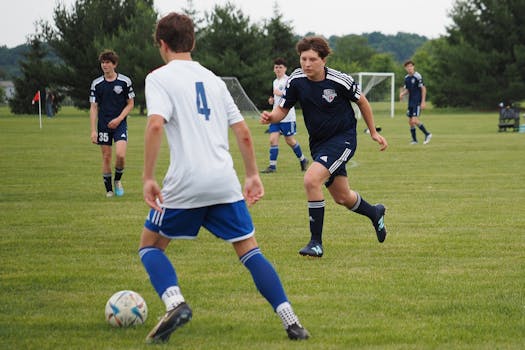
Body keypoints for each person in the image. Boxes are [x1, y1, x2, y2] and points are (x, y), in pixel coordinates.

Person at [139, 12, 309, 344]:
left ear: (161, 44)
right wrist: (252, 175)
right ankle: (292, 322)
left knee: (150, 247)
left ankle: (175, 304)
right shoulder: (215, 80)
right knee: (250, 251)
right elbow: (243, 132)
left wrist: (147, 177)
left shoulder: (158, 78)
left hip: (184, 183)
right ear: (193, 41)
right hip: (224, 181)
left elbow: (156, 124)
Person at [261, 36, 388, 258]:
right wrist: (271, 117)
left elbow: (362, 102)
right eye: (303, 59)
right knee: (342, 197)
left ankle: (315, 243)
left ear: (323, 59)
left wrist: (374, 132)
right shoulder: (296, 80)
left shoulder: (340, 80)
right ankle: (374, 212)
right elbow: (282, 110)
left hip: (343, 139)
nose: (306, 64)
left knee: (311, 180)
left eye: (312, 59)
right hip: (318, 143)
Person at [89, 50, 134, 197]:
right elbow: (94, 107)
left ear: (114, 64)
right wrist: (93, 130)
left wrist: (119, 119)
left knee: (120, 155)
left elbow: (130, 104)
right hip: (103, 125)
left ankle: (117, 181)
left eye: (108, 62)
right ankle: (109, 190)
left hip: (120, 123)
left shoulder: (124, 81)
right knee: (106, 157)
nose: (104, 65)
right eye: (102, 62)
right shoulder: (97, 84)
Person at [261, 58, 308, 173]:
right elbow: (277, 98)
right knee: (273, 140)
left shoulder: (288, 81)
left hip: (287, 117)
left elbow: (293, 96)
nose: (278, 69)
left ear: (285, 69)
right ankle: (272, 167)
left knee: (290, 141)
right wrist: (272, 99)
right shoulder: (275, 81)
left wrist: (280, 94)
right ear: (274, 69)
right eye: (276, 67)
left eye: (280, 67)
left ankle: (303, 159)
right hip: (275, 116)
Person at [399, 60, 432, 144]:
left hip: (417, 101)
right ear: (405, 68)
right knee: (410, 121)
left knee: (414, 120)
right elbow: (408, 90)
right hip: (410, 102)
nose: (409, 68)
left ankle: (427, 134)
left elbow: (423, 89)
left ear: (413, 67)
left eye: (411, 66)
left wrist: (423, 101)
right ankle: (414, 140)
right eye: (408, 67)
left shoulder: (417, 76)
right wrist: (402, 94)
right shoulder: (406, 78)